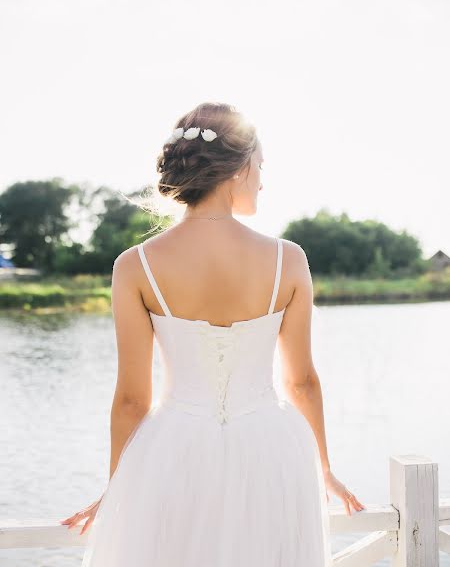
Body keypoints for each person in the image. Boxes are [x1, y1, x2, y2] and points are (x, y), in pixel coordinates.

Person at [61, 102, 365, 566]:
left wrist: (118, 488)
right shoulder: (289, 259)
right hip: (273, 448)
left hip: (173, 450)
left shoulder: (135, 265)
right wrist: (324, 468)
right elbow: (302, 382)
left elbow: (131, 401)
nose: (263, 179)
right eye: (260, 166)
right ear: (238, 169)